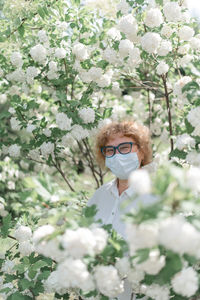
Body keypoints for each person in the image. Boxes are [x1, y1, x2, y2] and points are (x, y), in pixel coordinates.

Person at [87, 120, 153, 300]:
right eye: (110, 150)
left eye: (125, 147)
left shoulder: (156, 196)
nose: (117, 155)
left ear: (141, 151)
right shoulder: (100, 196)